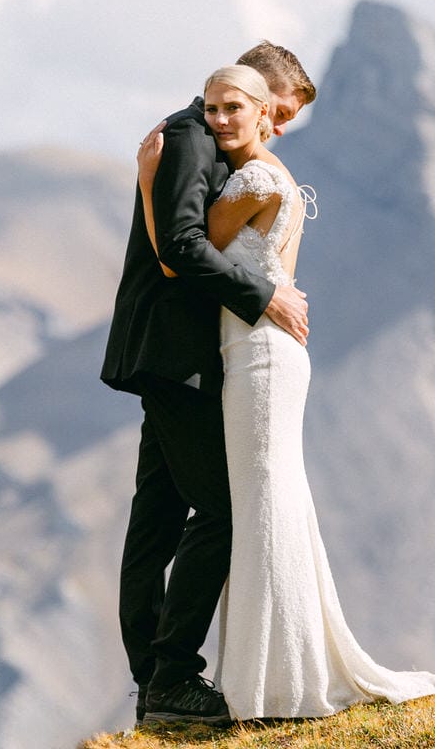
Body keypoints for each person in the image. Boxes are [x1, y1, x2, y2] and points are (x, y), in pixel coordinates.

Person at [136, 64, 435, 721]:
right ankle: (280, 675)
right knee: (266, 505)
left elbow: (177, 251)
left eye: (236, 110)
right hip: (261, 349)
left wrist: (147, 178)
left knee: (255, 508)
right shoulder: (277, 178)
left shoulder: (251, 179)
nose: (222, 121)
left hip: (256, 357)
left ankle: (272, 680)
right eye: (213, 109)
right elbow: (272, 271)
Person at [101, 42, 314, 726]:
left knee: (158, 518)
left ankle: (157, 687)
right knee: (220, 510)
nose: (273, 129)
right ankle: (171, 677)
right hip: (175, 352)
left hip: (176, 353)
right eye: (276, 112)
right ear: (260, 92)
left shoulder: (211, 142)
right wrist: (264, 296)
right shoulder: (193, 137)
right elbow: (181, 248)